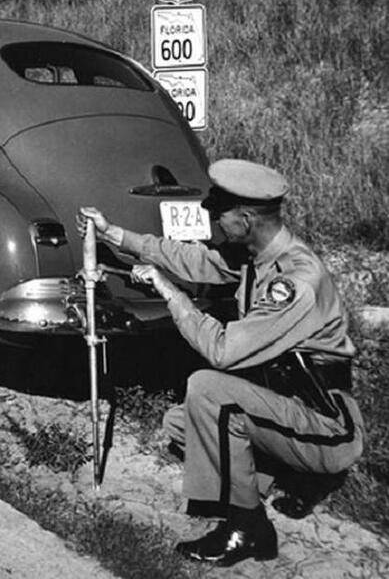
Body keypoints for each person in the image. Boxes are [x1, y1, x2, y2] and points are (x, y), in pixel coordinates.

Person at [78, 159, 364, 567]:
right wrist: (115, 235)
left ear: (246, 219)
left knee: (208, 390)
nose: (210, 218)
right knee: (182, 423)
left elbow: (223, 352)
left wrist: (170, 294)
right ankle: (289, 475)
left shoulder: (295, 281)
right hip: (287, 403)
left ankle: (247, 529)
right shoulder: (258, 254)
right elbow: (194, 259)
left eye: (219, 212)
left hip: (327, 423)